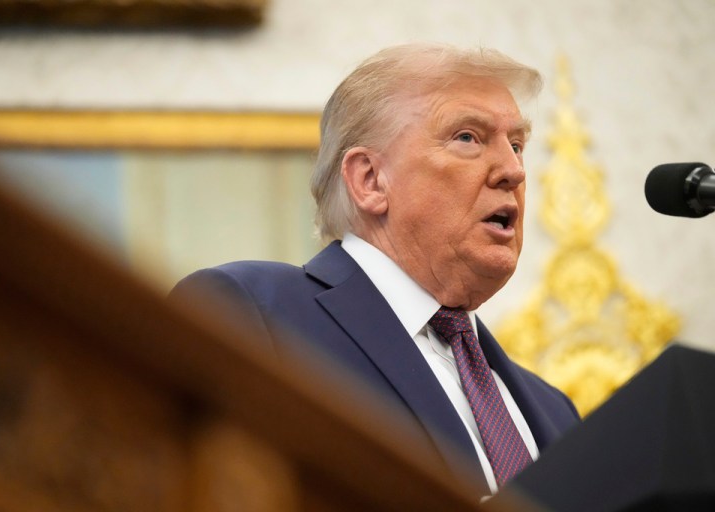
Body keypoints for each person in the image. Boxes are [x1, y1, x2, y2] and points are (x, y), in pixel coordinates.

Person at [171, 42, 580, 497]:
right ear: (369, 180)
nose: (513, 170)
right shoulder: (255, 315)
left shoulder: (557, 413)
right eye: (468, 137)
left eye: (518, 144)